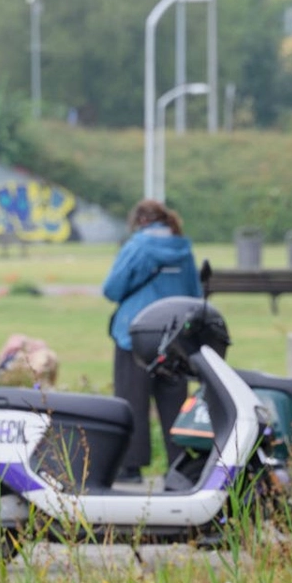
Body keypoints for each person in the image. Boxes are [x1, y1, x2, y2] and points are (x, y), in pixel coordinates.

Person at [102, 199, 201, 482]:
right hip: (174, 335)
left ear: (140, 221)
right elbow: (195, 292)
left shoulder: (137, 247)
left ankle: (130, 468)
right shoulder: (183, 248)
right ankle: (179, 468)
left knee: (131, 400)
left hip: (135, 334)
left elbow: (112, 289)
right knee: (174, 401)